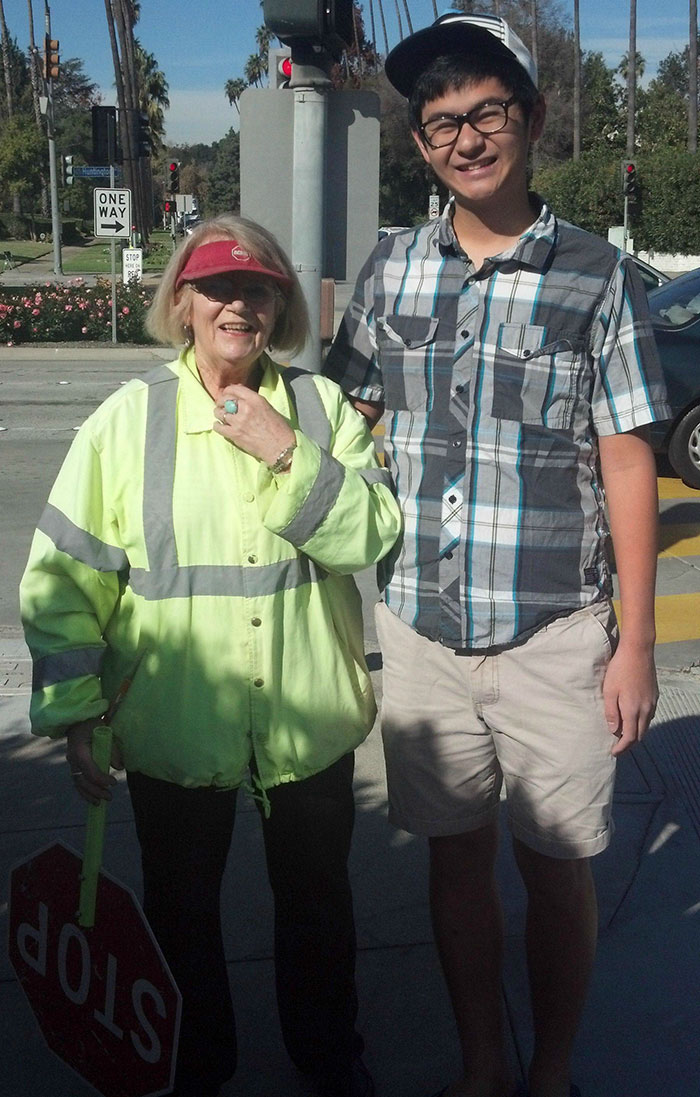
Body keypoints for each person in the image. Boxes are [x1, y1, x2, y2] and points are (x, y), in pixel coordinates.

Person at [325, 13, 671, 1097]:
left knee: (557, 866)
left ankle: (551, 1069)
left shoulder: (597, 277)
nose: (465, 139)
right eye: (440, 123)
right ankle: (482, 1060)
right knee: (454, 856)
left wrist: (636, 644)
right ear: (420, 142)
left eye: (485, 113)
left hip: (552, 633)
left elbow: (628, 462)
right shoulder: (389, 268)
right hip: (421, 630)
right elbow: (345, 422)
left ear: (528, 116)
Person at [20, 214, 403, 1097]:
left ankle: (327, 1053)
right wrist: (77, 714)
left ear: (280, 305)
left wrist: (286, 453)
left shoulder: (322, 410)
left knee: (319, 908)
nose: (238, 304)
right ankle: (194, 1066)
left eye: (257, 288)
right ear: (183, 303)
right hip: (174, 727)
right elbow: (66, 575)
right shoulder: (128, 420)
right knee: (182, 914)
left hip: (308, 720)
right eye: (217, 287)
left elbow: (372, 535)